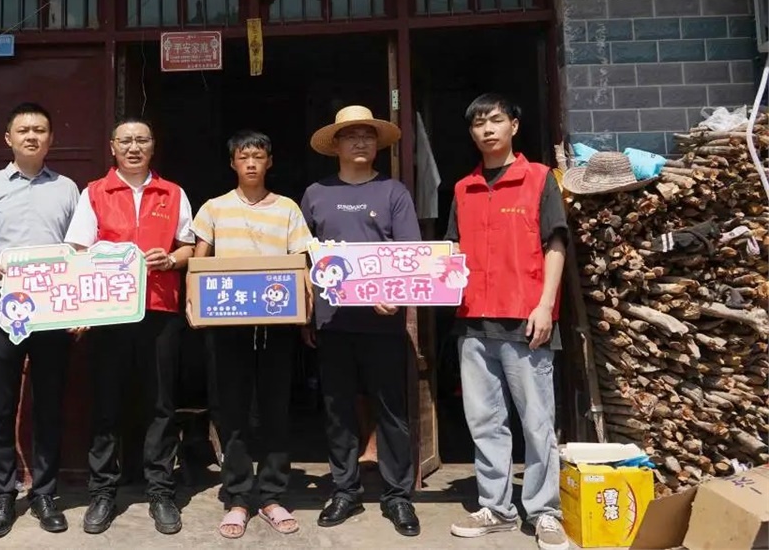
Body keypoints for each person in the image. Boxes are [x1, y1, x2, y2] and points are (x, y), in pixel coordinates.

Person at [446, 94, 569, 550]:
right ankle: (496, 508)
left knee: (537, 423)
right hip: (473, 322)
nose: (487, 129)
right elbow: (451, 250)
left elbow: (556, 244)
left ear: (514, 125)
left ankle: (545, 512)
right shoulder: (463, 188)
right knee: (485, 422)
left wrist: (545, 305)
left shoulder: (538, 178)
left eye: (496, 120)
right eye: (478, 123)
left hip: (526, 320)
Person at [63, 118, 195, 536]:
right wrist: (81, 310)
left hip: (159, 308)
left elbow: (189, 246)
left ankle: (160, 491)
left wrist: (171, 260)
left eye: (141, 140)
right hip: (109, 313)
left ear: (153, 146)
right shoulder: (94, 193)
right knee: (107, 402)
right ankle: (103, 491)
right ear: (112, 147)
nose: (133, 147)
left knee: (161, 404)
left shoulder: (172, 193)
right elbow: (78, 250)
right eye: (126, 141)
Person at [301, 105, 422, 537]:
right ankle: (345, 490)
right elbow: (304, 258)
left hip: (382, 322)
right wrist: (305, 312)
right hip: (332, 322)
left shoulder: (393, 192)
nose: (360, 142)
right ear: (335, 144)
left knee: (391, 409)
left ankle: (397, 495)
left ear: (377, 144)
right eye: (351, 135)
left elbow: (410, 255)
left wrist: (398, 296)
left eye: (368, 135)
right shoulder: (316, 193)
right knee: (338, 410)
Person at [0, 102, 81, 539]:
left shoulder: (68, 189)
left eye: (40, 130)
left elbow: (80, 250)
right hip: (5, 308)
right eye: (24, 130)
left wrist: (80, 309)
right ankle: (2, 494)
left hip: (53, 309)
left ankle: (45, 493)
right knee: (1, 404)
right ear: (8, 138)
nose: (32, 136)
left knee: (48, 403)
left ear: (51, 139)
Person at [190, 130, 313, 540]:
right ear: (233, 163)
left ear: (269, 161)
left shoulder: (288, 208)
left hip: (277, 325)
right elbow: (198, 262)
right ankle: (239, 497)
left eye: (258, 156)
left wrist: (307, 310)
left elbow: (301, 262)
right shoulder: (214, 208)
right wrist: (193, 303)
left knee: (276, 409)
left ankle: (273, 495)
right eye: (244, 157)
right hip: (227, 325)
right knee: (232, 411)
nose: (251, 163)